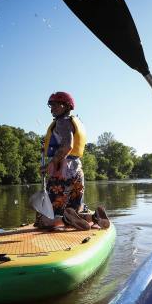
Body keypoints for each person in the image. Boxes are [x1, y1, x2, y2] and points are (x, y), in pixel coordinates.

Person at [35, 91, 109, 230]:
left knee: (44, 220)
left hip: (61, 169)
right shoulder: (74, 121)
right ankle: (94, 217)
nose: (52, 109)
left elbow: (68, 145)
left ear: (67, 106)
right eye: (51, 105)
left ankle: (65, 219)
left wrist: (51, 163)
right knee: (75, 208)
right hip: (76, 168)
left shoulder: (62, 122)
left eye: (56, 105)